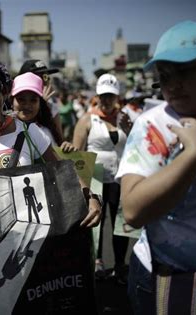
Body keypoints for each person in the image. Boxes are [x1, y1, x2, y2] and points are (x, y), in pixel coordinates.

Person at [116, 20, 196, 314]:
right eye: (165, 75)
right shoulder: (156, 124)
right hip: (174, 279)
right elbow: (133, 210)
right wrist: (192, 156)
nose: (173, 85)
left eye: (186, 71)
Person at [0, 60, 101, 228]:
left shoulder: (30, 131)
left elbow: (64, 171)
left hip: (28, 239)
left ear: (5, 92)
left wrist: (91, 197)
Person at [72, 73, 130, 283]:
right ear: (97, 95)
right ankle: (96, 262)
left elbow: (134, 145)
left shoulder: (125, 117)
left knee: (121, 224)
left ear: (117, 96)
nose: (107, 100)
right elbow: (76, 152)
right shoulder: (87, 119)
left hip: (121, 178)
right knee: (97, 224)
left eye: (111, 96)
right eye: (104, 95)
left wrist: (130, 129)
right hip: (95, 177)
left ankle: (120, 264)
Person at [10, 72, 76, 151]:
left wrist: (67, 149)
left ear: (40, 103)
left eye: (33, 100)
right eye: (21, 99)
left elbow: (57, 160)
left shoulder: (47, 132)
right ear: (11, 101)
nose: (27, 105)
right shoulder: (3, 130)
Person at [19, 59, 64, 144]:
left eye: (46, 77)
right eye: (38, 78)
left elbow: (60, 140)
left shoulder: (52, 107)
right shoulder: (15, 107)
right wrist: (41, 104)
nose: (44, 82)